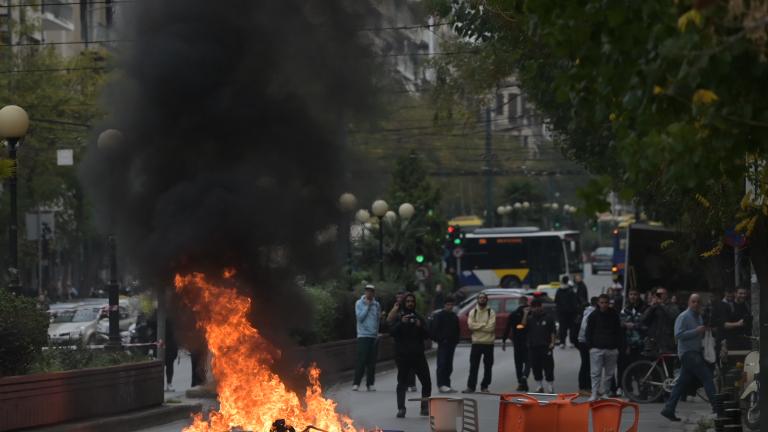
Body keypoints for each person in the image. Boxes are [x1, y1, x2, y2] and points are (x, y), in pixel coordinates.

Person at [660, 293, 717, 422]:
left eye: (698, 302)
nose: (696, 304)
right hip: (687, 353)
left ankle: (669, 409)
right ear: (689, 303)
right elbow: (678, 335)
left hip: (695, 352)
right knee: (707, 377)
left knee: (681, 384)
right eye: (693, 301)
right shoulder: (683, 316)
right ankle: (717, 407)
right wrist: (696, 331)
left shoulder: (699, 317)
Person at [390, 293, 432, 418]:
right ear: (404, 303)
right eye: (407, 301)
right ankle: (401, 408)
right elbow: (391, 332)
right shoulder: (398, 317)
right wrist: (401, 323)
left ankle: (424, 407)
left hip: (418, 355)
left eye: (412, 301)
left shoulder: (418, 317)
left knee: (426, 382)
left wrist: (420, 326)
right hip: (403, 356)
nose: (410, 303)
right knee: (402, 383)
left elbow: (427, 335)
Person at [585, 294, 623, 401]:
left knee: (609, 374)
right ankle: (594, 394)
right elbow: (588, 332)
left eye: (606, 302)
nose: (604, 305)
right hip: (596, 348)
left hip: (611, 348)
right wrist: (590, 347)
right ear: (598, 303)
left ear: (609, 302)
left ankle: (606, 393)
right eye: (602, 302)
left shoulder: (614, 315)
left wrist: (618, 346)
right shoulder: (593, 316)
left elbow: (618, 331)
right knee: (595, 373)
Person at [615, 289, 647, 397]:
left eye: (635, 294)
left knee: (641, 369)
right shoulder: (625, 309)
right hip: (627, 344)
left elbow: (646, 324)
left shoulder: (644, 308)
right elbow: (620, 323)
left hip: (641, 344)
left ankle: (643, 391)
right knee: (625, 368)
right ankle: (626, 390)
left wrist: (634, 325)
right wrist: (625, 325)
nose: (633, 297)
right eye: (631, 294)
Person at [463, 292, 496, 393]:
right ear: (477, 300)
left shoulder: (491, 312)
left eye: (483, 298)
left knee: (488, 366)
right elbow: (470, 326)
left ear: (486, 300)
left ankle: (484, 386)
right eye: (480, 298)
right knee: (473, 366)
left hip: (488, 343)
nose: (482, 299)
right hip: (476, 343)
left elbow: (491, 328)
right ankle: (471, 387)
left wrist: (477, 326)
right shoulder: (473, 312)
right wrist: (483, 324)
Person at [524, 298, 556, 393]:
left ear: (541, 307)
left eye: (538, 306)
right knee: (536, 366)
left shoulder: (548, 317)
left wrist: (552, 342)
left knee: (549, 366)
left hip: (546, 346)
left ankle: (550, 385)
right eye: (534, 307)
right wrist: (525, 314)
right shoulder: (529, 319)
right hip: (533, 347)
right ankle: (539, 385)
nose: (536, 309)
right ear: (531, 308)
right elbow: (523, 325)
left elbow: (553, 331)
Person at [387, 290, 417, 392]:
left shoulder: (410, 309)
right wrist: (394, 309)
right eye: (397, 298)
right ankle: (402, 383)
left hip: (410, 342)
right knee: (401, 365)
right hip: (398, 342)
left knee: (412, 364)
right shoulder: (395, 309)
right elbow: (389, 321)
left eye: (401, 298)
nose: (399, 300)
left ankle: (412, 383)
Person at [353, 283, 381, 391]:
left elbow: (377, 320)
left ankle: (370, 384)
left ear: (374, 293)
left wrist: (377, 332)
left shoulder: (377, 305)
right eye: (367, 290)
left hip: (373, 336)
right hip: (363, 335)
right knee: (361, 359)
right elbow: (360, 318)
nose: (369, 293)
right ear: (365, 292)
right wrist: (367, 306)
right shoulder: (359, 303)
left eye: (371, 291)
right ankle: (356, 383)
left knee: (372, 361)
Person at [431, 295, 460, 393]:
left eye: (452, 304)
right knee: (442, 364)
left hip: (452, 344)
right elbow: (434, 330)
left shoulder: (454, 316)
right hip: (443, 344)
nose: (450, 306)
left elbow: (457, 329)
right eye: (448, 304)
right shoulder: (439, 316)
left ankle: (447, 384)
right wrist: (440, 340)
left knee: (449, 365)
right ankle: (441, 384)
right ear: (444, 305)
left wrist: (456, 340)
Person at [503, 296, 531, 391]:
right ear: (527, 302)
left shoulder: (513, 314)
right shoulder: (531, 313)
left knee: (518, 363)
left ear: (519, 302)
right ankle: (524, 377)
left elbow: (508, 327)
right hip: (528, 341)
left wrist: (504, 340)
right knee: (528, 362)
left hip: (517, 341)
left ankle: (520, 382)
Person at [641, 286, 680, 354]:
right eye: (657, 294)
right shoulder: (654, 307)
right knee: (651, 364)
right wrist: (652, 307)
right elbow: (643, 320)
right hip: (654, 343)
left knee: (668, 363)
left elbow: (673, 316)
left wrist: (662, 305)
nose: (659, 296)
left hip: (667, 343)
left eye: (662, 294)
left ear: (666, 295)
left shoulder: (673, 306)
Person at [577, 297, 599, 396]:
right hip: (586, 342)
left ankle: (589, 388)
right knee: (586, 365)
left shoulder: (587, 311)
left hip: (584, 341)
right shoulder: (591, 313)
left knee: (589, 365)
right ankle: (583, 388)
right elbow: (585, 328)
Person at [554, 276, 578, 348]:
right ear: (567, 281)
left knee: (562, 328)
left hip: (561, 313)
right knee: (571, 327)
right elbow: (574, 302)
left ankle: (562, 342)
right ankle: (571, 342)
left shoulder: (558, 290)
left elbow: (556, 301)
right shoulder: (571, 290)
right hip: (570, 313)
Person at [164, 319, 179, 392]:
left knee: (170, 366)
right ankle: (167, 384)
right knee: (162, 367)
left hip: (171, 347)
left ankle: (169, 383)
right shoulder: (160, 315)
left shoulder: (173, 318)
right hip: (162, 347)